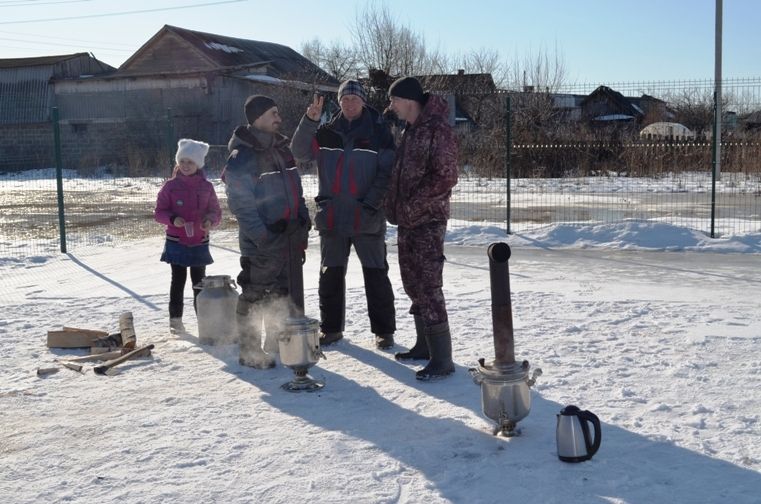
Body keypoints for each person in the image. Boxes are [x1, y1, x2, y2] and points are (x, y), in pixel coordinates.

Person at [291, 79, 396, 350]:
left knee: (376, 276)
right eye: (345, 99)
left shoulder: (379, 133)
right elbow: (298, 152)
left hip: (366, 217)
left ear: (363, 101)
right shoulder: (325, 132)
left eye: (354, 98)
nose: (349, 103)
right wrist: (309, 121)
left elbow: (387, 173)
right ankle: (331, 328)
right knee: (330, 275)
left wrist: (372, 203)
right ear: (339, 102)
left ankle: (384, 332)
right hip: (333, 217)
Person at [223, 94, 311, 369]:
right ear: (258, 118)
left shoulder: (282, 149)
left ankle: (277, 343)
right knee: (254, 293)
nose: (279, 118)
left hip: (288, 238)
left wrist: (303, 221)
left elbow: (296, 190)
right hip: (261, 243)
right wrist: (262, 236)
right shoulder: (243, 155)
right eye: (273, 113)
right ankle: (249, 351)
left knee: (281, 293)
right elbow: (240, 203)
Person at [384, 77, 459, 380]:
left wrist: (413, 206)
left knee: (429, 286)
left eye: (394, 101)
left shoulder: (438, 131)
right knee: (412, 282)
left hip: (427, 221)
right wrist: (395, 206)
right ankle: (423, 346)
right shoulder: (411, 131)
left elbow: (446, 177)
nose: (391, 107)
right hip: (407, 221)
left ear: (408, 101)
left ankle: (443, 358)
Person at [154, 138, 222, 334]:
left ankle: (205, 323)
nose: (185, 165)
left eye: (190, 162)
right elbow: (159, 212)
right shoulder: (170, 186)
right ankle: (176, 323)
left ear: (198, 164)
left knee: (199, 284)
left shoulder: (207, 187)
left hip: (199, 241)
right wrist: (173, 219)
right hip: (177, 241)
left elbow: (215, 211)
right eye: (182, 161)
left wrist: (210, 221)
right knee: (178, 281)